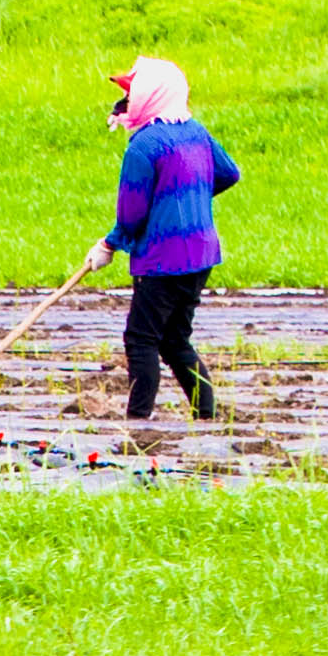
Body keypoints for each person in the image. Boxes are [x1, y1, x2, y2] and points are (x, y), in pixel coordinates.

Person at [93, 52, 238, 426]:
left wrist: (108, 245)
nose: (127, 101)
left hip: (162, 259)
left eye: (133, 91)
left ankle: (138, 422)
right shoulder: (196, 132)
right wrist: (188, 195)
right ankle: (206, 416)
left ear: (152, 95)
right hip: (201, 254)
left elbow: (131, 214)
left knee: (141, 339)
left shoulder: (144, 146)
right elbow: (228, 173)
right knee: (175, 340)